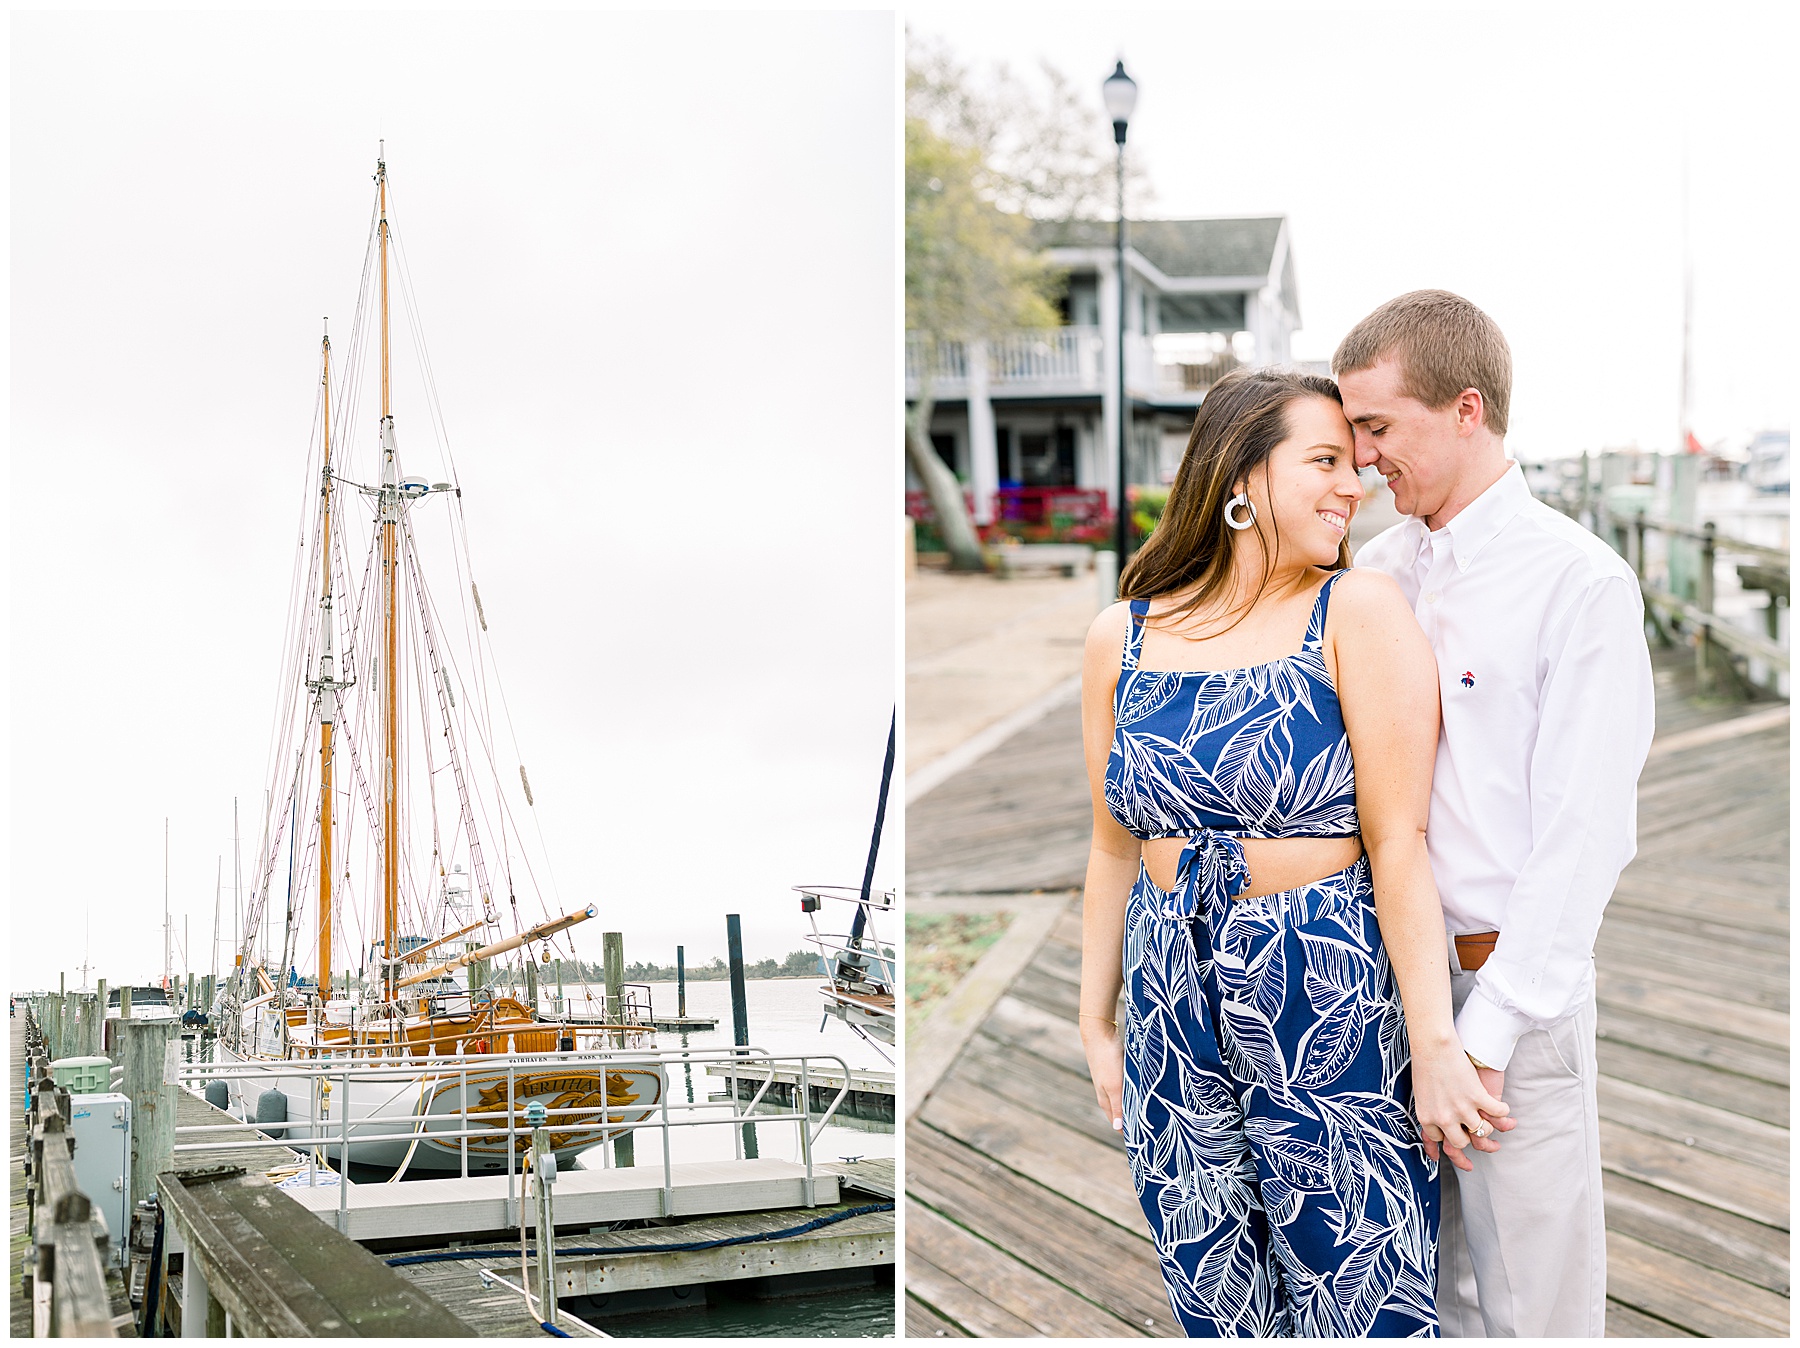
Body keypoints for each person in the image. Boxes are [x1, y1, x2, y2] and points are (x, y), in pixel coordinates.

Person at [1078, 368, 1508, 1338]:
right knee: (1212, 1283)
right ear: (1240, 474)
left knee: (1360, 1284)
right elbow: (1112, 841)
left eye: (1353, 463)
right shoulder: (1123, 635)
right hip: (1164, 992)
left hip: (1320, 985)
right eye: (1323, 460)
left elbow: (1400, 842)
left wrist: (1435, 1040)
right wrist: (1094, 1018)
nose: (1353, 484)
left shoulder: (1356, 611)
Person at [1336, 290, 1655, 1338]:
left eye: (1378, 427)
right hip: (1383, 982)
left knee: (1534, 1306)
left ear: (1466, 409)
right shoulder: (1375, 575)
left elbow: (1586, 832)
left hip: (1514, 987)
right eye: (1350, 432)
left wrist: (1487, 1030)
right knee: (1417, 1297)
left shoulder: (1581, 585)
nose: (1363, 455)